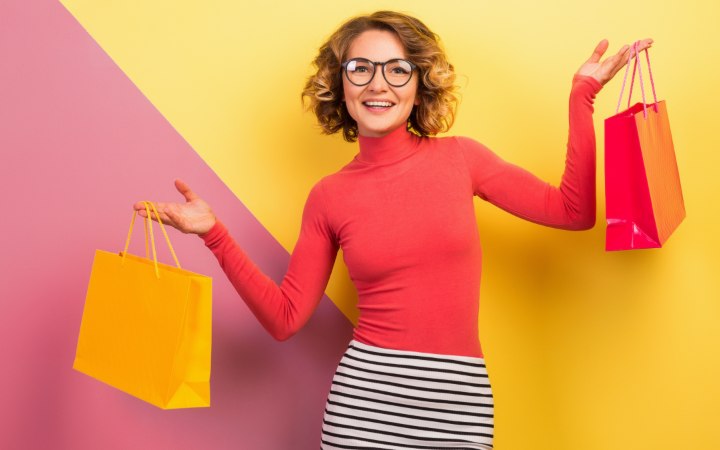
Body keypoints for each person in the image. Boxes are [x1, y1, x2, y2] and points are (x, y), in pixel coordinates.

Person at [135, 10, 652, 450]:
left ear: (419, 82)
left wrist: (581, 96)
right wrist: (214, 235)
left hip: (460, 403)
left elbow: (573, 211)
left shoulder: (461, 159)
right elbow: (286, 318)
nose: (377, 83)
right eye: (360, 68)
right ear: (340, 84)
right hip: (366, 408)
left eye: (396, 69)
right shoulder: (329, 196)